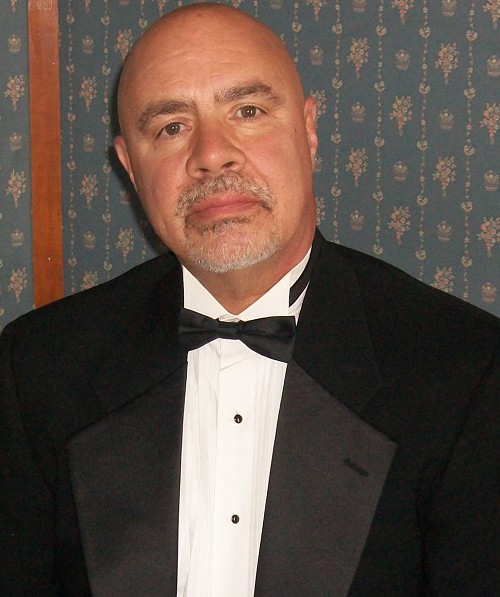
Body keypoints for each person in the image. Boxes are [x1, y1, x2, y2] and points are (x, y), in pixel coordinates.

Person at [0, 4, 498, 596]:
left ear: (308, 130)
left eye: (248, 111)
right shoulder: (37, 367)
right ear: (130, 166)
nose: (212, 153)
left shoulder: (465, 370)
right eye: (172, 127)